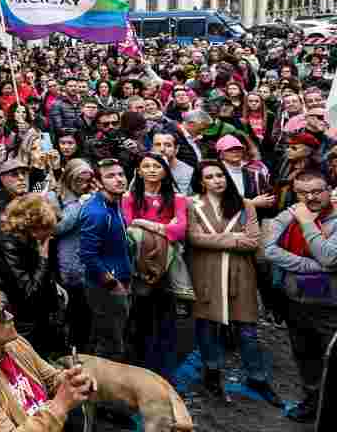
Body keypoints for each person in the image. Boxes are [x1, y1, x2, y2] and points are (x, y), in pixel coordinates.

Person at [187, 160, 280, 405]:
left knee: (247, 330)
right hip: (205, 274)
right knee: (207, 327)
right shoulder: (191, 205)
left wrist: (214, 239)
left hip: (241, 274)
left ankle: (257, 378)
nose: (217, 180)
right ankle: (212, 373)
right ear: (200, 181)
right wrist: (233, 237)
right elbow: (193, 238)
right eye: (210, 176)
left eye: (220, 175)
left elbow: (253, 241)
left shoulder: (245, 204)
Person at [0, 285, 94, 432]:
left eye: (6, 309)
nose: (10, 316)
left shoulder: (15, 344)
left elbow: (51, 379)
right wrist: (59, 405)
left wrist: (71, 381)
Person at [263, 170, 337, 423]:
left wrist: (306, 222)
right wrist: (311, 265)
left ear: (329, 189)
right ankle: (311, 402)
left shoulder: (331, 219)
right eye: (303, 193)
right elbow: (268, 249)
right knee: (304, 356)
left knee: (327, 358)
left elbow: (329, 257)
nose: (310, 198)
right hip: (294, 299)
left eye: (317, 191)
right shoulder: (290, 214)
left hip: (328, 306)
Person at [0, 195, 63, 356]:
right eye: (46, 228)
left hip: (32, 325)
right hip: (18, 328)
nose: (50, 233)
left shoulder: (27, 242)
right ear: (33, 228)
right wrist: (43, 258)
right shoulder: (6, 247)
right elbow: (29, 294)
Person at [122, 153, 187, 377]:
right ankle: (141, 367)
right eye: (146, 166)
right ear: (138, 171)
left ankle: (164, 370)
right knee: (140, 317)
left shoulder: (177, 198)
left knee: (165, 318)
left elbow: (179, 231)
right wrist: (163, 227)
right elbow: (128, 227)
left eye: (156, 166)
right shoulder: (130, 196)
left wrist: (144, 223)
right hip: (138, 266)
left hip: (167, 267)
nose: (151, 170)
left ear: (165, 171)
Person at [78, 159, 131, 362]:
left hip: (121, 279)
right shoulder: (96, 212)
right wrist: (112, 283)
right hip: (105, 286)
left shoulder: (115, 204)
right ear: (99, 183)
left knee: (115, 337)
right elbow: (87, 255)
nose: (118, 179)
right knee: (110, 344)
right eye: (110, 176)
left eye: (121, 174)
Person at [47, 158, 93, 351]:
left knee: (83, 316)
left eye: (87, 181)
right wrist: (78, 207)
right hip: (60, 265)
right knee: (65, 314)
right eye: (79, 181)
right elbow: (55, 228)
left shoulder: (89, 196)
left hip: (84, 265)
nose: (84, 185)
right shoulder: (53, 197)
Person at [149, 131, 194, 197]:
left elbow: (179, 199)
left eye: (168, 145)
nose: (162, 149)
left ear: (176, 149)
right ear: (152, 148)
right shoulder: (145, 167)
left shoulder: (187, 172)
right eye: (157, 145)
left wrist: (165, 170)